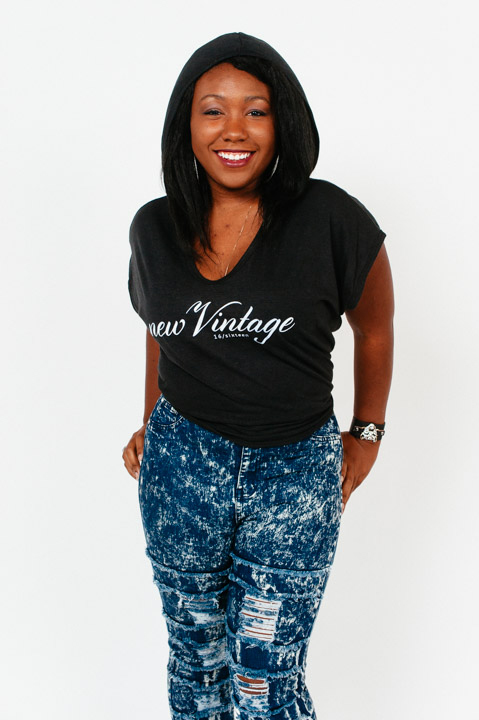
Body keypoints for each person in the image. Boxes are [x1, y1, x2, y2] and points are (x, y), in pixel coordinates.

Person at [123, 31, 394, 720]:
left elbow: (375, 329)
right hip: (180, 469)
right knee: (196, 664)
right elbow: (161, 330)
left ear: (283, 123)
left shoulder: (331, 218)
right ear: (186, 125)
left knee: (264, 679)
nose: (234, 129)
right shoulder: (154, 227)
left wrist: (365, 435)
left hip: (293, 473)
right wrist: (150, 422)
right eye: (213, 110)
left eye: (256, 110)